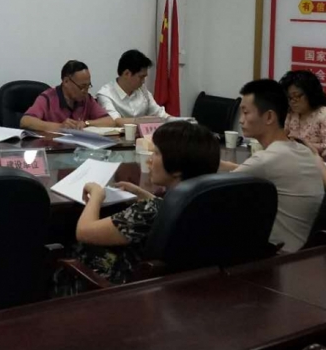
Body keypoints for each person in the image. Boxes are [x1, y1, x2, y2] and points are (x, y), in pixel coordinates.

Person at [54, 121, 220, 294]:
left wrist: (96, 196)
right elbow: (164, 207)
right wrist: (143, 194)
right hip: (179, 286)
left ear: (177, 169)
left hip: (123, 288)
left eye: (156, 153)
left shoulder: (148, 211)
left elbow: (83, 231)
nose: (149, 160)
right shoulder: (201, 202)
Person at [221, 79, 324, 253]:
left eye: (245, 113)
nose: (241, 120)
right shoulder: (301, 150)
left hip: (282, 255)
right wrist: (221, 164)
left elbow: (216, 189)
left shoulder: (266, 160)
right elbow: (249, 170)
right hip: (307, 251)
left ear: (269, 117)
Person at [20, 60, 116, 133]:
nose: (85, 91)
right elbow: (25, 121)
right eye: (82, 87)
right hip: (53, 149)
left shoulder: (87, 99)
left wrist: (86, 123)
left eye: (88, 86)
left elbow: (110, 122)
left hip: (78, 148)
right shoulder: (48, 98)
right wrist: (60, 127)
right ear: (66, 81)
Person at [280, 70, 326, 161]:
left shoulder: (325, 114)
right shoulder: (292, 114)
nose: (292, 101)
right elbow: (281, 139)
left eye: (297, 96)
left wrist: (304, 146)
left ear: (310, 93)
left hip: (318, 164)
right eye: (289, 98)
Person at [95, 49, 170, 124]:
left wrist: (175, 121)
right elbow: (114, 121)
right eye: (141, 77)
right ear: (127, 74)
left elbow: (161, 115)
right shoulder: (105, 94)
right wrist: (142, 121)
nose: (143, 81)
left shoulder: (142, 89)